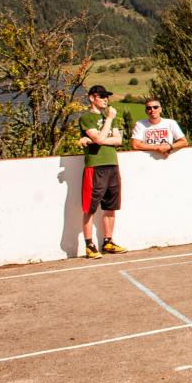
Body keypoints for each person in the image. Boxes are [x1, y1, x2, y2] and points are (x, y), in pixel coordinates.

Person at [78, 85, 127, 259]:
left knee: (111, 206)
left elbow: (118, 140)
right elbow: (99, 138)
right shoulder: (87, 118)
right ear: (92, 98)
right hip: (95, 166)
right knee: (90, 208)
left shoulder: (110, 118)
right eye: (102, 96)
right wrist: (108, 122)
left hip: (112, 164)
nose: (106, 99)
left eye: (107, 96)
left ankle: (108, 241)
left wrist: (95, 140)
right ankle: (89, 245)